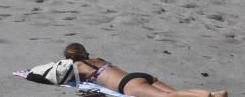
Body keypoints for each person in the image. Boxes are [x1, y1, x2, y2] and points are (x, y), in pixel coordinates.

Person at [60, 42, 227, 96]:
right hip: (139, 76)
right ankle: (214, 93)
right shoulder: (97, 60)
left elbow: (54, 74)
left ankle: (208, 95)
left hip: (127, 85)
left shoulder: (77, 66)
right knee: (175, 93)